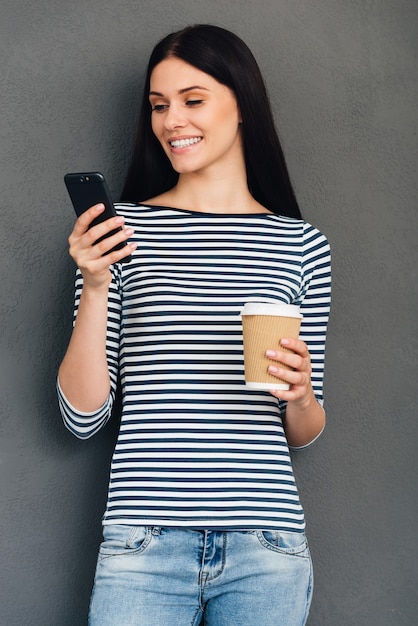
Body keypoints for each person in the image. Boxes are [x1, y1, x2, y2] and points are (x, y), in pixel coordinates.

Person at [58, 24, 331, 626]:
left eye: (193, 99)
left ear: (242, 105)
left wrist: (303, 391)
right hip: (143, 543)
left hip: (268, 544)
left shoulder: (300, 244)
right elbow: (82, 418)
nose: (171, 120)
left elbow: (305, 432)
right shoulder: (119, 232)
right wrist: (98, 283)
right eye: (159, 105)